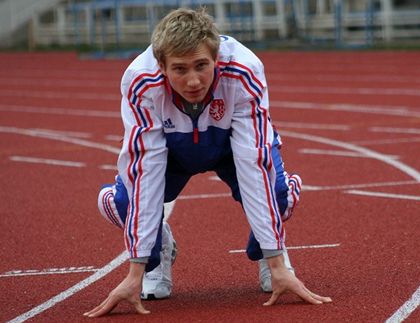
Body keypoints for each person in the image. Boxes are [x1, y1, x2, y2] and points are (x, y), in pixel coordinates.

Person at [84, 7, 331, 318]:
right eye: (180, 69)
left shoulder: (244, 69)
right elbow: (145, 171)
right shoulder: (139, 81)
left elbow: (254, 163)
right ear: (161, 66)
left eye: (202, 66)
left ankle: (271, 258)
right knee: (124, 200)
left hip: (228, 142)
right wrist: (136, 270)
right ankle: (157, 252)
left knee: (276, 191)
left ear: (216, 58)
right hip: (171, 148)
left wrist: (276, 259)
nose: (192, 81)